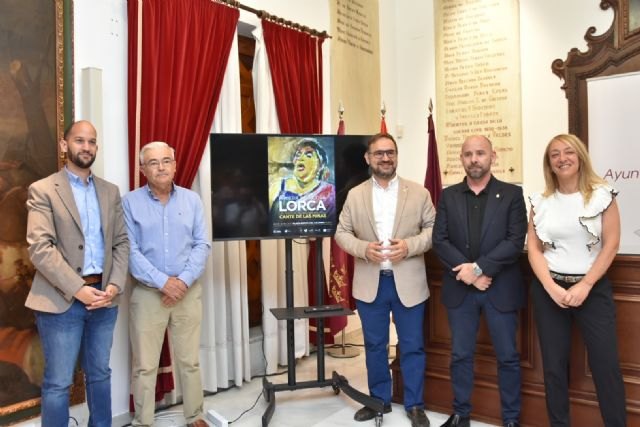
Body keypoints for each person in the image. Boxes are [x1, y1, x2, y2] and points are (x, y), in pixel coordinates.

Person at [25, 120, 129, 427]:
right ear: (64, 145)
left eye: (92, 142)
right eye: (80, 141)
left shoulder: (110, 192)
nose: (86, 147)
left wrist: (114, 285)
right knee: (58, 383)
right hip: (61, 302)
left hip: (104, 299)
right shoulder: (43, 190)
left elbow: (122, 242)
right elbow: (40, 248)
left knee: (100, 374)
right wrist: (77, 289)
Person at [335, 132, 435, 427]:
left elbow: (433, 229)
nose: (385, 158)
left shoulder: (419, 193)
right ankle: (379, 400)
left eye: (390, 152)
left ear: (396, 156)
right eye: (379, 153)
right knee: (375, 345)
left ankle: (415, 405)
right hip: (371, 283)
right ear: (368, 158)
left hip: (409, 282)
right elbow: (342, 233)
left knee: (413, 345)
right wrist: (364, 249)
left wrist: (410, 246)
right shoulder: (355, 194)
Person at [527, 134, 626, 427]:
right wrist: (551, 287)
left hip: (592, 290)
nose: (562, 158)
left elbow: (611, 244)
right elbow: (533, 248)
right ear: (549, 163)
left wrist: (585, 285)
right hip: (550, 290)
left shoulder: (602, 194)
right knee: (554, 368)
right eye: (555, 154)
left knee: (606, 366)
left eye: (568, 152)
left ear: (580, 156)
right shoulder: (540, 201)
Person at [432, 135, 526, 427]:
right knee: (460, 355)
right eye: (468, 154)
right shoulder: (449, 196)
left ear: (492, 157)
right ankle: (461, 414)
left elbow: (514, 240)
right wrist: (471, 276)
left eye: (480, 153)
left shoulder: (512, 194)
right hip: (462, 291)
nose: (474, 159)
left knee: (508, 357)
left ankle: (511, 419)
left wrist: (479, 269)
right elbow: (440, 240)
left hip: (500, 289)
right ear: (461, 159)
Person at [123, 141, 211, 427]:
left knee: (189, 361)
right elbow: (129, 251)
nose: (160, 167)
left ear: (175, 165)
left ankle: (196, 415)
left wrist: (182, 282)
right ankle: (143, 421)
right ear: (142, 169)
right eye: (153, 162)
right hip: (148, 294)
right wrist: (163, 282)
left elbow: (202, 244)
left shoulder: (192, 200)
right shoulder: (129, 202)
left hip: (187, 292)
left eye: (166, 161)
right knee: (145, 365)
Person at [269, 138, 336, 228]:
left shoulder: (330, 192)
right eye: (298, 154)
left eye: (308, 155)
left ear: (320, 165)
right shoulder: (277, 186)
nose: (300, 158)